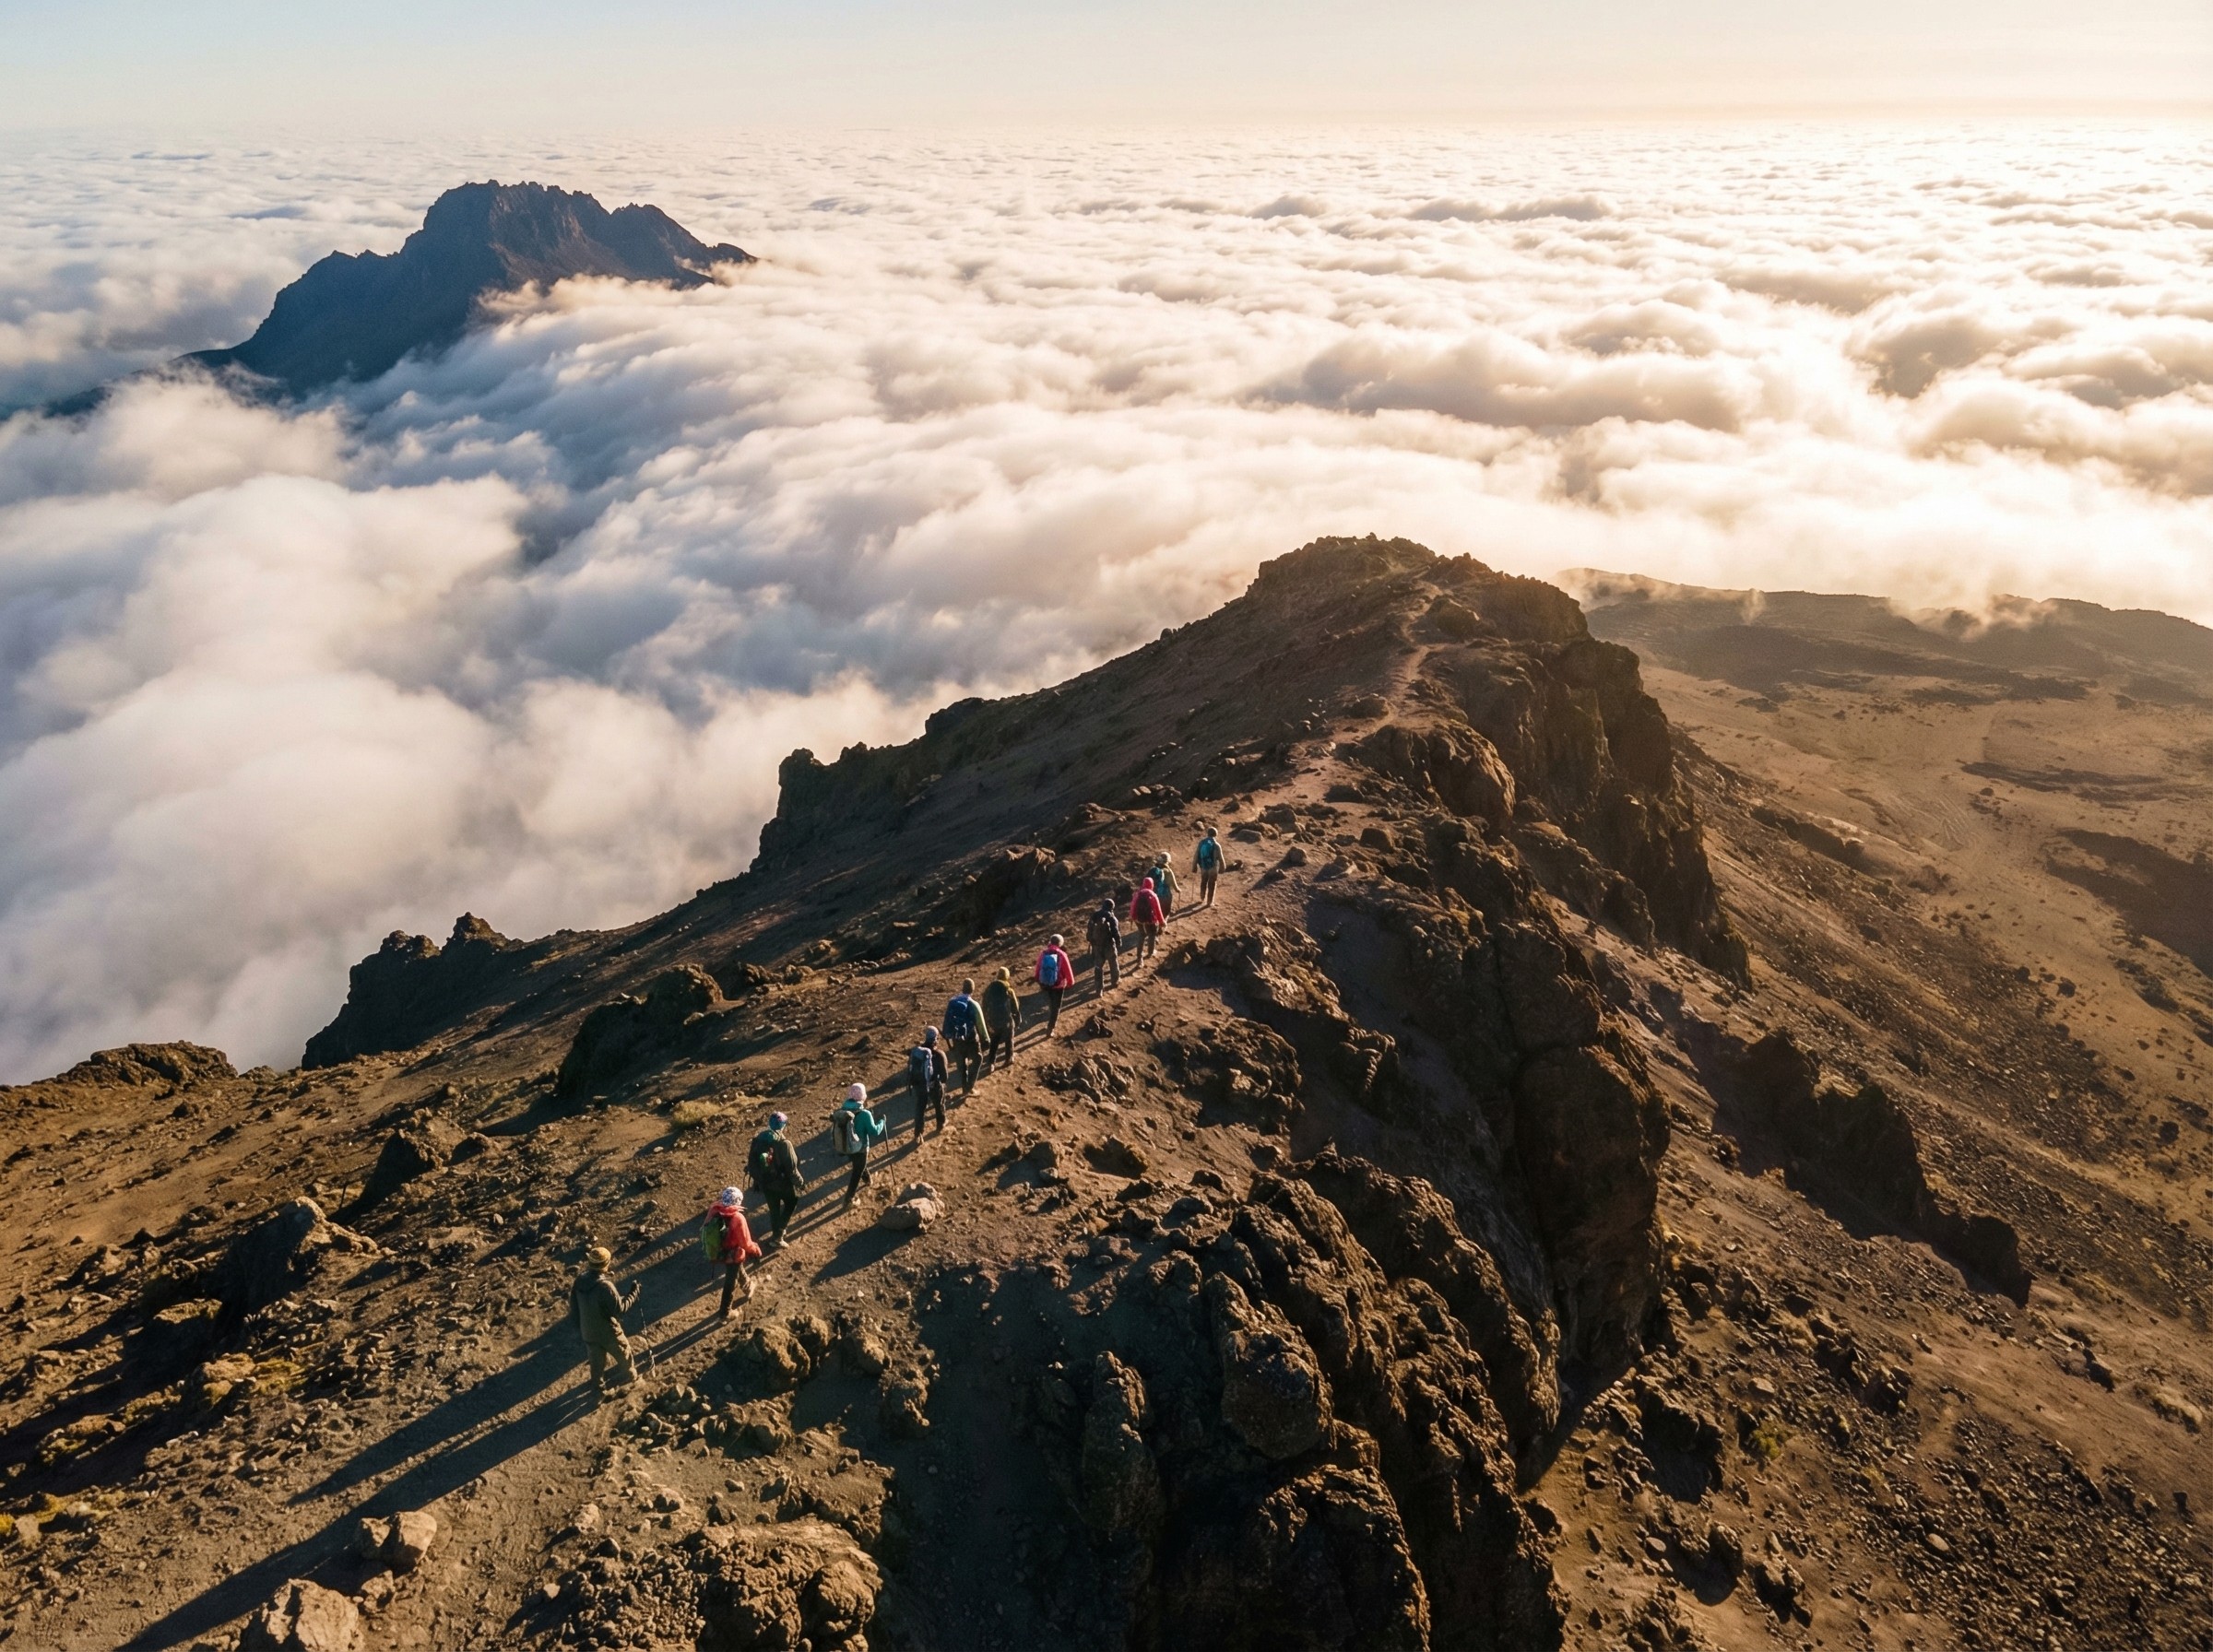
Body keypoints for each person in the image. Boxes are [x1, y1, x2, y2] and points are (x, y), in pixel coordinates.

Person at [570, 1246, 638, 1399]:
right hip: (608, 1332)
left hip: (588, 1333)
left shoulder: (579, 1281)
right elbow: (620, 1310)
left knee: (596, 1362)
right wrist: (634, 1293)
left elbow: (574, 1309)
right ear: (606, 1264)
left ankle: (599, 1390)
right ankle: (631, 1376)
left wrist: (581, 1328)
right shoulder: (605, 1286)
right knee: (623, 1351)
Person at [703, 1186, 762, 1321]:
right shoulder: (738, 1218)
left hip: (718, 1251)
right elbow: (745, 1243)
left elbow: (705, 1227)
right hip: (733, 1254)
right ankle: (725, 1313)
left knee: (736, 1269)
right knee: (730, 1282)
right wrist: (756, 1250)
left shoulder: (714, 1210)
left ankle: (747, 1286)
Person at [745, 1112, 803, 1248]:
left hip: (765, 1183)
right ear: (783, 1126)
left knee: (774, 1209)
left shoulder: (759, 1140)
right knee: (791, 1202)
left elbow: (752, 1163)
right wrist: (800, 1182)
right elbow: (792, 1169)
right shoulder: (785, 1144)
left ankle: (777, 1234)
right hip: (783, 1184)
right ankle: (778, 1235)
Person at [833, 1082, 885, 1206]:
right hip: (861, 1149)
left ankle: (867, 1178)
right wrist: (882, 1122)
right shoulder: (865, 1114)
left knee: (859, 1165)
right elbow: (875, 1131)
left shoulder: (842, 1111)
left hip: (847, 1146)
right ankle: (848, 1200)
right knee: (856, 1173)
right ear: (862, 1096)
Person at [942, 981, 985, 1093]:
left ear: (963, 988)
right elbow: (981, 1025)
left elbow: (947, 1021)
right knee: (978, 1059)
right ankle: (969, 1086)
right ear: (973, 989)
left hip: (957, 1039)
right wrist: (986, 1039)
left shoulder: (952, 1002)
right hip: (971, 1039)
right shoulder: (973, 1004)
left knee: (961, 1063)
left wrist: (949, 1040)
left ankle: (964, 1084)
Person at [906, 1027, 948, 1136]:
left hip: (920, 1086)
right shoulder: (939, 1054)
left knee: (920, 1108)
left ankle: (918, 1132)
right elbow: (945, 1077)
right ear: (937, 1038)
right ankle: (941, 1123)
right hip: (933, 1085)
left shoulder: (917, 1052)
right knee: (939, 1105)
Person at [981, 966, 1021, 1071]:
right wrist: (1015, 1015)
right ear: (1007, 976)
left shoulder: (989, 989)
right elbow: (1015, 1007)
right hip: (1006, 1020)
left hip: (993, 1020)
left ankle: (991, 1063)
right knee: (1009, 1037)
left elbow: (984, 1005)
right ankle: (1009, 1058)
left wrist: (987, 1019)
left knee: (994, 1040)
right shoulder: (1008, 989)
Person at [1035, 934, 1075, 1034]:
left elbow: (1038, 968)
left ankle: (1051, 1017)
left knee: (1052, 1003)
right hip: (1059, 985)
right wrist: (1071, 982)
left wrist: (1038, 980)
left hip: (1046, 983)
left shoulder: (1043, 953)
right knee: (1056, 1006)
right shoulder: (1061, 954)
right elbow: (1068, 970)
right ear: (1060, 943)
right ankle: (1050, 1028)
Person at [1085, 898, 1121, 995]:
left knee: (1098, 967)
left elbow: (1089, 930)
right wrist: (1118, 942)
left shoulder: (1095, 915)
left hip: (1097, 946)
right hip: (1109, 945)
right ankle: (1115, 981)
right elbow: (1115, 932)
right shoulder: (1111, 917)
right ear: (1112, 907)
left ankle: (1099, 989)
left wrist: (1091, 940)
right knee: (1113, 963)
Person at [1130, 876, 1165, 964]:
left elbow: (1133, 906)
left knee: (1141, 935)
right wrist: (1162, 921)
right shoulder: (1152, 895)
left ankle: (1139, 957)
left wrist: (1132, 917)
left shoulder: (1138, 894)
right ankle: (1150, 952)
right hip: (1150, 920)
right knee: (1152, 935)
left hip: (1138, 919)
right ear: (1152, 885)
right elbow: (1158, 910)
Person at [1195, 826, 1224, 907]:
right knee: (1212, 884)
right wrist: (1222, 867)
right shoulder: (1216, 845)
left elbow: (1196, 854)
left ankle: (1202, 896)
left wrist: (1194, 865)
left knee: (1203, 881)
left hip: (1203, 866)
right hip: (1213, 867)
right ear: (1216, 834)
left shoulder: (1201, 843)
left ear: (1207, 833)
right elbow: (1221, 857)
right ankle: (1209, 902)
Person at [1150, 851, 1179, 916]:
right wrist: (1178, 890)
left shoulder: (1154, 870)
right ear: (1168, 860)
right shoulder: (1168, 871)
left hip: (1154, 894)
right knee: (1165, 912)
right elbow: (1175, 887)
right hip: (1165, 896)